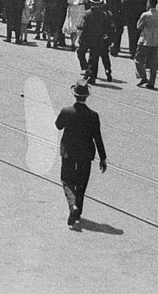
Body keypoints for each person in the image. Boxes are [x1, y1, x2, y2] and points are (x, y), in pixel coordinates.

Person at [55, 80, 107, 228]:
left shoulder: (66, 111)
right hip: (86, 154)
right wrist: (102, 158)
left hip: (69, 153)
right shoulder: (93, 115)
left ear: (75, 95)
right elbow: (98, 138)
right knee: (82, 184)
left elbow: (58, 126)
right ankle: (77, 212)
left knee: (67, 180)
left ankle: (73, 206)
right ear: (86, 97)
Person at [78, 0, 112, 83]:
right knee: (94, 57)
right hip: (98, 38)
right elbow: (106, 27)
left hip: (86, 37)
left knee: (80, 52)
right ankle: (93, 76)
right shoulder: (103, 14)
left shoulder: (86, 13)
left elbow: (81, 26)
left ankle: (86, 68)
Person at [136, 0, 158, 89]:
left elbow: (139, 26)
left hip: (145, 39)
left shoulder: (146, 15)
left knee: (138, 59)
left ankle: (143, 77)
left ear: (149, 3)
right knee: (153, 62)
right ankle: (152, 82)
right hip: (156, 39)